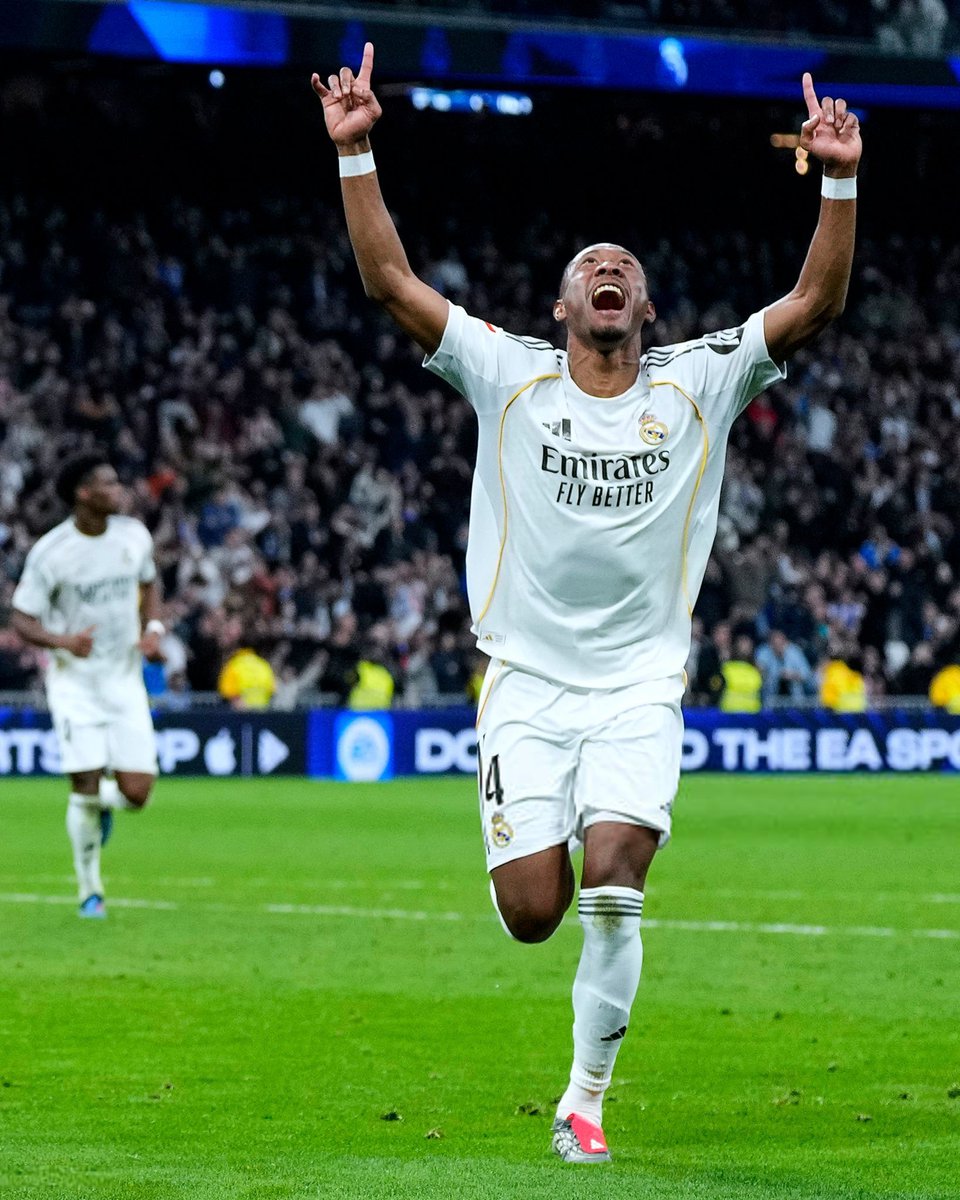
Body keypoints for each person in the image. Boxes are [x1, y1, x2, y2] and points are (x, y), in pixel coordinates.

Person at [312, 45, 860, 1163]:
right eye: (589, 265)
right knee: (531, 911)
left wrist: (839, 179)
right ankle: (556, 953)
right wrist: (359, 153)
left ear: (643, 304)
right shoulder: (505, 371)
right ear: (562, 305)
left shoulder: (700, 378)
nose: (608, 270)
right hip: (524, 684)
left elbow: (814, 302)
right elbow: (390, 284)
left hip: (641, 689)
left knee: (616, 877)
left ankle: (584, 1102)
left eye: (624, 265)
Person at [10, 454, 165, 919]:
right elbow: (21, 618)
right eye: (108, 483)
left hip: (123, 679)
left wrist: (153, 627)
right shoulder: (52, 551)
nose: (119, 490)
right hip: (74, 682)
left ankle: (100, 807)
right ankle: (90, 891)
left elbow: (150, 583)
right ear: (83, 493)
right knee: (84, 781)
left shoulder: (133, 536)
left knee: (137, 793)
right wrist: (62, 641)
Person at [755, 628, 814, 706]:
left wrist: (792, 675)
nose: (778, 646)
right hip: (771, 697)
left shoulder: (794, 652)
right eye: (775, 644)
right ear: (770, 644)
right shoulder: (764, 652)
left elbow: (807, 674)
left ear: (786, 642)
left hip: (793, 697)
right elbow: (758, 672)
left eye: (780, 643)